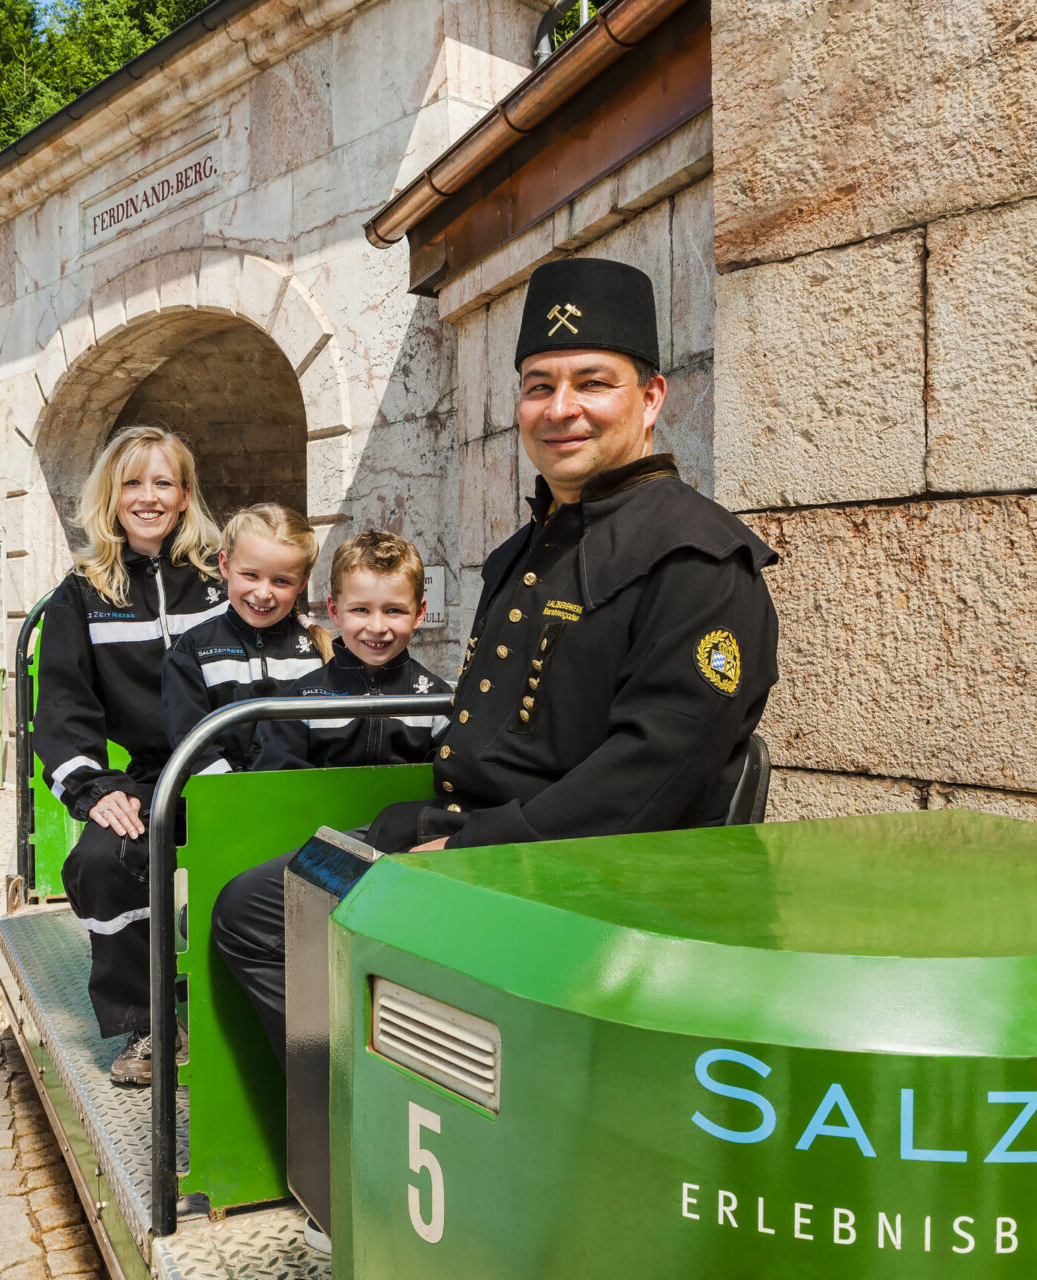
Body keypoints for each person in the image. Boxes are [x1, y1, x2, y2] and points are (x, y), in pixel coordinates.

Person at [213, 256, 780, 1070]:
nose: (562, 409)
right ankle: (360, 1128)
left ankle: (368, 1142)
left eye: (593, 383)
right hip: (478, 838)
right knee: (256, 902)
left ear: (651, 398)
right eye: (539, 385)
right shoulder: (527, 550)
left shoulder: (696, 559)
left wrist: (479, 849)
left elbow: (650, 775)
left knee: (262, 917)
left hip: (572, 878)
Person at [30, 425, 225, 1087]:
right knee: (98, 859)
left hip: (234, 769)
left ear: (185, 493)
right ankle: (151, 1024)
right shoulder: (82, 596)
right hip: (152, 775)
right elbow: (61, 710)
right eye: (132, 483)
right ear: (110, 497)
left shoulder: (224, 577)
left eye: (163, 482)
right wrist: (94, 788)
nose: (148, 497)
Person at [251, 530, 452, 773]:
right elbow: (279, 787)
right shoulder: (298, 701)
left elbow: (452, 779)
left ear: (419, 613)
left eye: (393, 611)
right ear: (334, 611)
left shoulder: (438, 700)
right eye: (361, 610)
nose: (377, 628)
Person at [161, 504, 329, 776]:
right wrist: (237, 798)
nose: (263, 593)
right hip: (223, 803)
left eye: (281, 581)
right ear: (225, 565)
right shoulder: (191, 651)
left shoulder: (319, 652)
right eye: (250, 575)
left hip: (306, 802)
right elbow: (190, 743)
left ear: (302, 582)